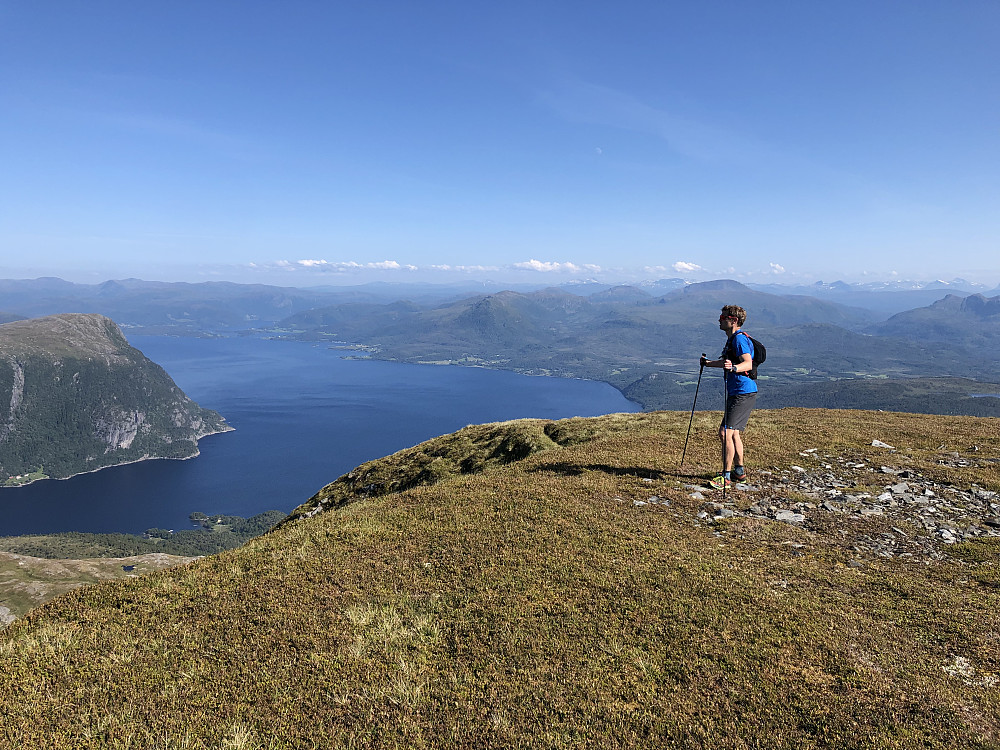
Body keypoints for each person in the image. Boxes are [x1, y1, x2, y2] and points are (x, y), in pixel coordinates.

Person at [700, 305, 757, 489]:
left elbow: (747, 363)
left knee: (725, 432)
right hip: (741, 391)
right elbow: (727, 362)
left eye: (723, 317)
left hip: (742, 391)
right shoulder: (734, 339)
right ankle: (739, 472)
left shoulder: (739, 340)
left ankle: (726, 477)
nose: (719, 319)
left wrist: (733, 368)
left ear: (733, 320)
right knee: (734, 433)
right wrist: (708, 364)